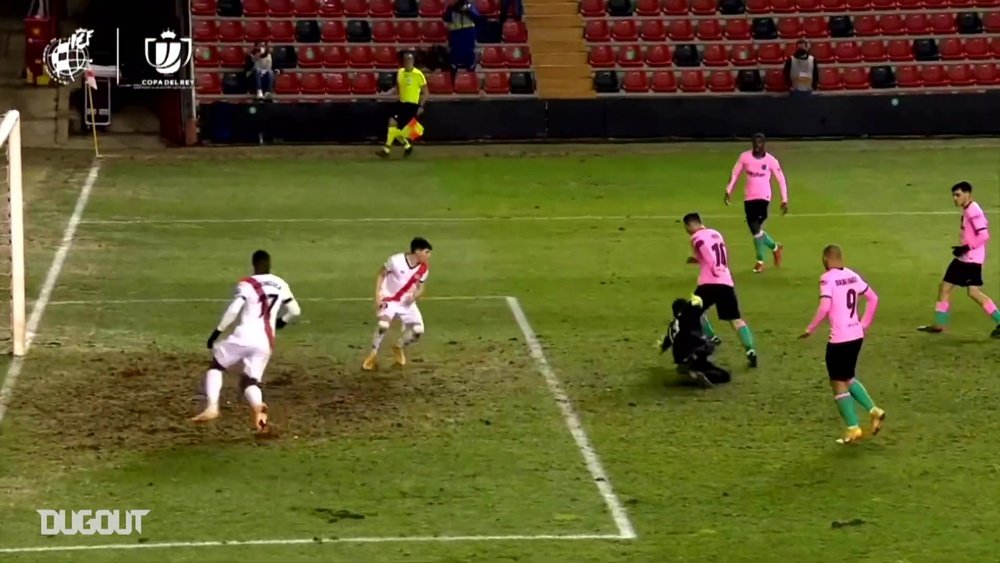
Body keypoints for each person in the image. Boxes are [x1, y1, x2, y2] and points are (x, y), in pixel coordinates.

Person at [192, 250, 301, 433]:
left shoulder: (248, 283)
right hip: (266, 341)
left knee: (217, 365)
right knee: (250, 382)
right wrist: (281, 322)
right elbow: (295, 311)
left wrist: (217, 332)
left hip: (244, 336)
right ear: (269, 265)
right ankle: (258, 406)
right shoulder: (280, 283)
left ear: (254, 265)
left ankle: (212, 407)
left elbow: (234, 310)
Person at [800, 245, 885, 445]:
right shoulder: (852, 275)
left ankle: (853, 427)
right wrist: (864, 324)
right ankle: (874, 411)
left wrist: (810, 328)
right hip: (856, 335)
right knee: (847, 377)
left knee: (837, 382)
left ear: (825, 258)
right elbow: (873, 298)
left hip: (840, 338)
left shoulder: (826, 278)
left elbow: (825, 306)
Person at [916, 183, 1000, 336]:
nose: (955, 198)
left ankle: (940, 325)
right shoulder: (968, 209)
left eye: (958, 195)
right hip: (966, 257)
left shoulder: (974, 212)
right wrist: (963, 247)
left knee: (972, 292)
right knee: (946, 287)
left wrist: (966, 248)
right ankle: (939, 324)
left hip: (970, 259)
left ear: (967, 194)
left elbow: (984, 235)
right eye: (954, 195)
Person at [684, 213, 759, 368]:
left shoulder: (695, 238)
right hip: (726, 281)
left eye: (686, 228)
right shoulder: (716, 234)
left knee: (692, 312)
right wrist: (700, 261)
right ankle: (750, 350)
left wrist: (713, 268)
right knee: (736, 320)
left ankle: (711, 337)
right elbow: (718, 254)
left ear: (689, 226)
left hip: (708, 283)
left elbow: (706, 252)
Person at [363, 237, 433, 371]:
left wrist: (415, 296)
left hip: (406, 303)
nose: (429, 256)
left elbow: (421, 287)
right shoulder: (396, 260)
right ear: (417, 251)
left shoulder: (423, 269)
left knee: (418, 331)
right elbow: (381, 274)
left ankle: (398, 346)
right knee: (383, 325)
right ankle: (373, 354)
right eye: (427, 252)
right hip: (389, 298)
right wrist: (378, 296)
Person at [724, 133, 789, 274]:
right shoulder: (744, 157)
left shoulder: (771, 160)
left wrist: (784, 199)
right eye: (755, 143)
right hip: (749, 198)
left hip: (764, 198)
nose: (757, 146)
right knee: (756, 230)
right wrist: (728, 190)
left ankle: (760, 261)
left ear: (764, 144)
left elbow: (781, 179)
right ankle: (775, 248)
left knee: (755, 228)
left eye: (760, 143)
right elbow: (735, 173)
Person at [659, 294, 732, 388]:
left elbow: (667, 342)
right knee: (722, 374)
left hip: (683, 355)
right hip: (693, 352)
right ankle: (692, 372)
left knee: (722, 374)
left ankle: (692, 373)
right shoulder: (689, 320)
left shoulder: (673, 324)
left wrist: (662, 348)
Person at [377, 51, 428, 159]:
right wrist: (385, 94)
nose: (407, 61)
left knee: (395, 126)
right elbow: (397, 88)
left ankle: (388, 149)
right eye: (406, 59)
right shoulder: (400, 72)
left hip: (412, 105)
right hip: (401, 103)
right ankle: (405, 146)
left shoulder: (419, 74)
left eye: (410, 59)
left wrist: (421, 106)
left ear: (413, 61)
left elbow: (426, 92)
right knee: (392, 124)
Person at [442, 0, 481, 77]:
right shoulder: (451, 7)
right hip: (456, 33)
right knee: (454, 56)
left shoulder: (469, 5)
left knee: (469, 55)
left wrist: (467, 11)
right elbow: (446, 18)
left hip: (468, 32)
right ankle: (452, 79)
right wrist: (452, 8)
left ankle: (470, 77)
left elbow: (477, 17)